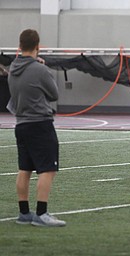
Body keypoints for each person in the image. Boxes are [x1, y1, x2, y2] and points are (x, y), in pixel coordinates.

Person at [7, 29, 66, 227]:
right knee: (48, 169)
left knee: (24, 169)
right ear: (37, 46)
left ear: (20, 46)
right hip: (40, 124)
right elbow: (54, 94)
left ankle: (24, 213)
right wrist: (42, 68)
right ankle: (42, 213)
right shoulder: (40, 70)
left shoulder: (12, 68)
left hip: (21, 124)